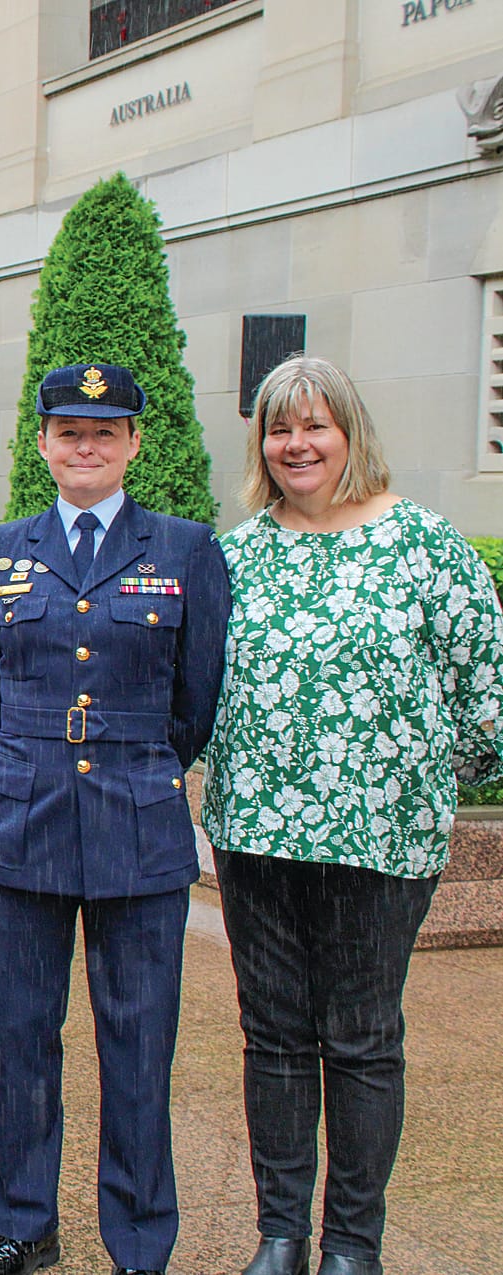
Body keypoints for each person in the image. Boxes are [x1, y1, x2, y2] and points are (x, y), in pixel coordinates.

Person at [202, 356, 503, 1275]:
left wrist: (410, 772)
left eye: (314, 426)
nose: (296, 444)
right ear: (262, 444)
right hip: (257, 835)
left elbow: (481, 687)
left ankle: (353, 1245)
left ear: (349, 433)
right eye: (279, 429)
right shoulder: (235, 552)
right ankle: (282, 1233)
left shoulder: (421, 542)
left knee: (364, 1039)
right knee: (276, 1036)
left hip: (382, 840)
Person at [0, 364, 230, 1275]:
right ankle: (25, 1224)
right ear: (41, 442)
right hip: (21, 826)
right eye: (69, 431)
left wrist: (134, 764)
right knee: (23, 1039)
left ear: (132, 445)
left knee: (139, 1047)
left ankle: (140, 1240)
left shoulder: (186, 548)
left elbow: (195, 702)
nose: (86, 446)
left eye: (104, 432)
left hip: (137, 828)